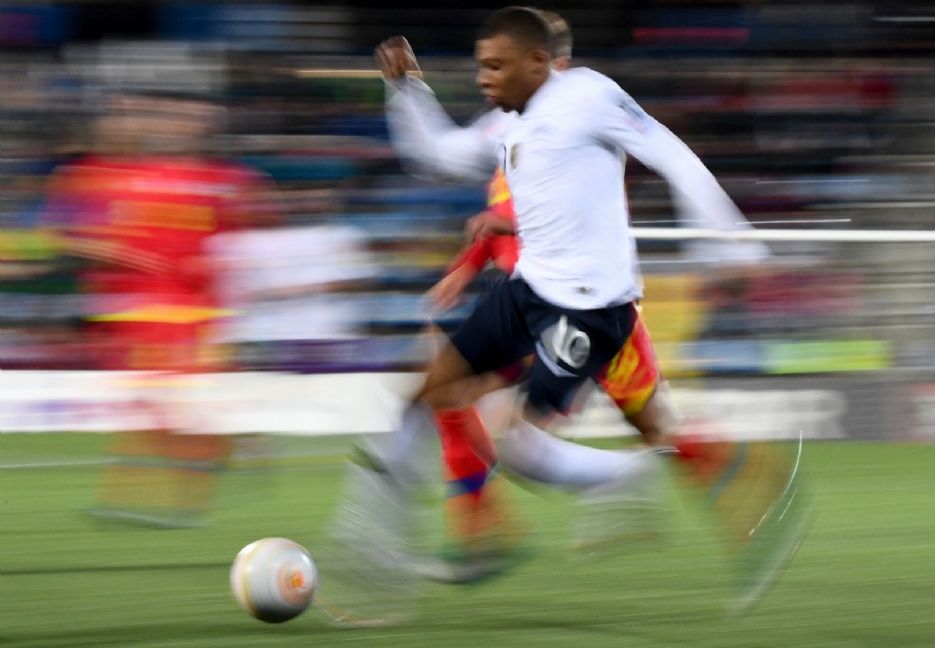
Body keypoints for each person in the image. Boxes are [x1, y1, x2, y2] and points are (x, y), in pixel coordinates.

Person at [361, 6, 797, 614]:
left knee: (539, 443)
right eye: (483, 66)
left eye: (496, 66)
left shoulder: (589, 96)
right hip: (532, 294)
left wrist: (731, 244)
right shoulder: (507, 123)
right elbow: (439, 153)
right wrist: (406, 90)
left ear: (543, 62)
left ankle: (626, 480)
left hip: (591, 309)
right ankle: (471, 529)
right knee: (439, 384)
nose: (484, 78)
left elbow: (673, 155)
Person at [44, 91, 271, 527]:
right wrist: (114, 254)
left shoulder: (219, 178)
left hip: (188, 312)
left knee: (161, 401)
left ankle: (174, 496)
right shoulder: (114, 175)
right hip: (130, 312)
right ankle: (228, 451)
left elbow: (243, 240)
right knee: (151, 404)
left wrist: (219, 268)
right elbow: (68, 236)